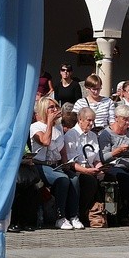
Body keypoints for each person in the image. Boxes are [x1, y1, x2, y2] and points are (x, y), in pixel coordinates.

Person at [30, 97, 82, 230]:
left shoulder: (58, 126)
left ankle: (73, 216)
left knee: (74, 178)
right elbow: (45, 141)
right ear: (43, 110)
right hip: (40, 164)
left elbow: (62, 150)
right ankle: (60, 217)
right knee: (62, 180)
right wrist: (49, 122)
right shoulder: (35, 127)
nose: (54, 110)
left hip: (55, 164)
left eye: (55, 107)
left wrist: (66, 165)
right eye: (51, 107)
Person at [63, 107, 105, 225]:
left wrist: (101, 168)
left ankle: (104, 214)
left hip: (91, 168)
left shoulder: (93, 136)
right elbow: (71, 162)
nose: (91, 124)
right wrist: (86, 171)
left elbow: (96, 158)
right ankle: (81, 213)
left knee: (112, 179)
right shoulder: (71, 135)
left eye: (93, 121)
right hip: (77, 169)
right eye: (89, 120)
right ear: (80, 120)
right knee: (89, 181)